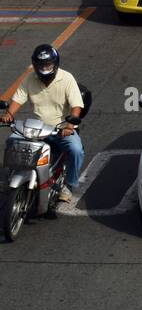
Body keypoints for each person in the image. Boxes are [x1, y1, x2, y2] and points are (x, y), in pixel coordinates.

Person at [2, 45, 84, 201]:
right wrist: (9, 114)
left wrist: (69, 126)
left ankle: (69, 185)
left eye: (48, 65)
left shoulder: (66, 78)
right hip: (37, 128)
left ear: (55, 64)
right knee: (11, 141)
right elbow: (18, 99)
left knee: (76, 150)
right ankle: (11, 174)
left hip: (61, 129)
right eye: (41, 65)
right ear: (35, 65)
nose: (44, 68)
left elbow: (76, 106)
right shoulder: (30, 78)